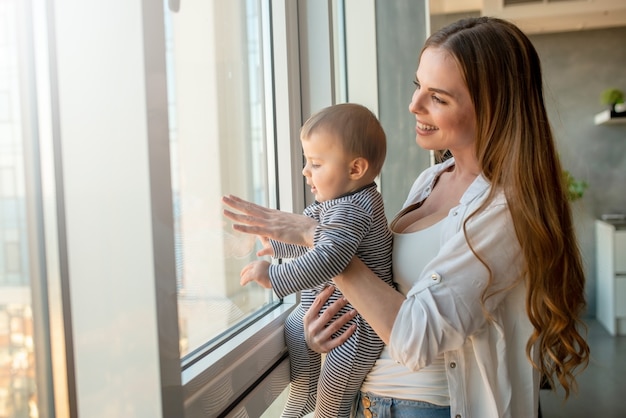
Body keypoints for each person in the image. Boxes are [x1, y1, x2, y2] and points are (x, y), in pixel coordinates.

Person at [223, 16, 590, 418]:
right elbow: (382, 284)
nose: (414, 105)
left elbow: (414, 339)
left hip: (427, 408)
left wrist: (316, 237)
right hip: (375, 401)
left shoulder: (504, 208)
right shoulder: (431, 178)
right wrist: (322, 330)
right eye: (419, 86)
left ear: (493, 108)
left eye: (438, 97)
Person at [235, 103, 394, 418]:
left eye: (316, 164)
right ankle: (303, 396)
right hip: (336, 316)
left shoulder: (353, 209)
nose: (306, 171)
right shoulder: (334, 202)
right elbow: (310, 240)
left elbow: (328, 257)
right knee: (295, 324)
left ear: (355, 169)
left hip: (358, 326)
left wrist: (275, 277)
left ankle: (317, 408)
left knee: (331, 402)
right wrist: (278, 246)